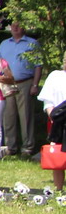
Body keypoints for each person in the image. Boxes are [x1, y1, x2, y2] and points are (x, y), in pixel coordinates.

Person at [0, 21, 39, 158]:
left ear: (24, 27)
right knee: (8, 116)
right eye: (13, 25)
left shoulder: (32, 43)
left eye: (18, 25)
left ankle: (27, 147)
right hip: (8, 83)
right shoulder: (4, 44)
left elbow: (38, 65)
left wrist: (35, 85)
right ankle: (11, 147)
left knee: (26, 115)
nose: (15, 27)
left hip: (25, 83)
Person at [38, 54, 66, 188]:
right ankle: (58, 190)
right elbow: (48, 102)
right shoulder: (55, 76)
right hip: (59, 123)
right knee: (58, 158)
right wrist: (54, 119)